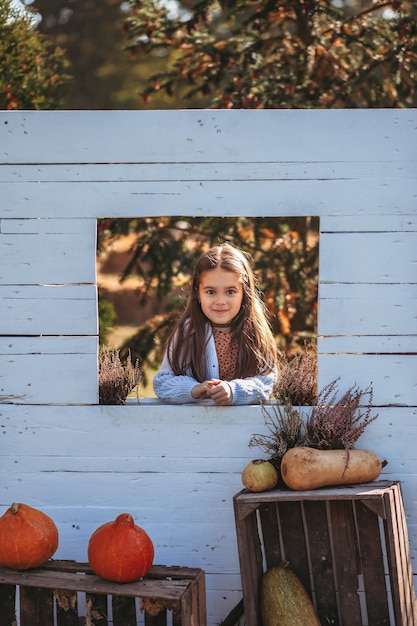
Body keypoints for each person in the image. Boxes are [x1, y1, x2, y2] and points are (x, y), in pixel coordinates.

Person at [153, 243, 279, 405]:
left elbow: (267, 381)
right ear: (198, 293)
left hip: (245, 426)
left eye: (230, 292)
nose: (220, 301)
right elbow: (162, 382)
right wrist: (193, 389)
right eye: (211, 292)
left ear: (244, 293)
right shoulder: (188, 331)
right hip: (194, 425)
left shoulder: (254, 331)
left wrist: (234, 391)